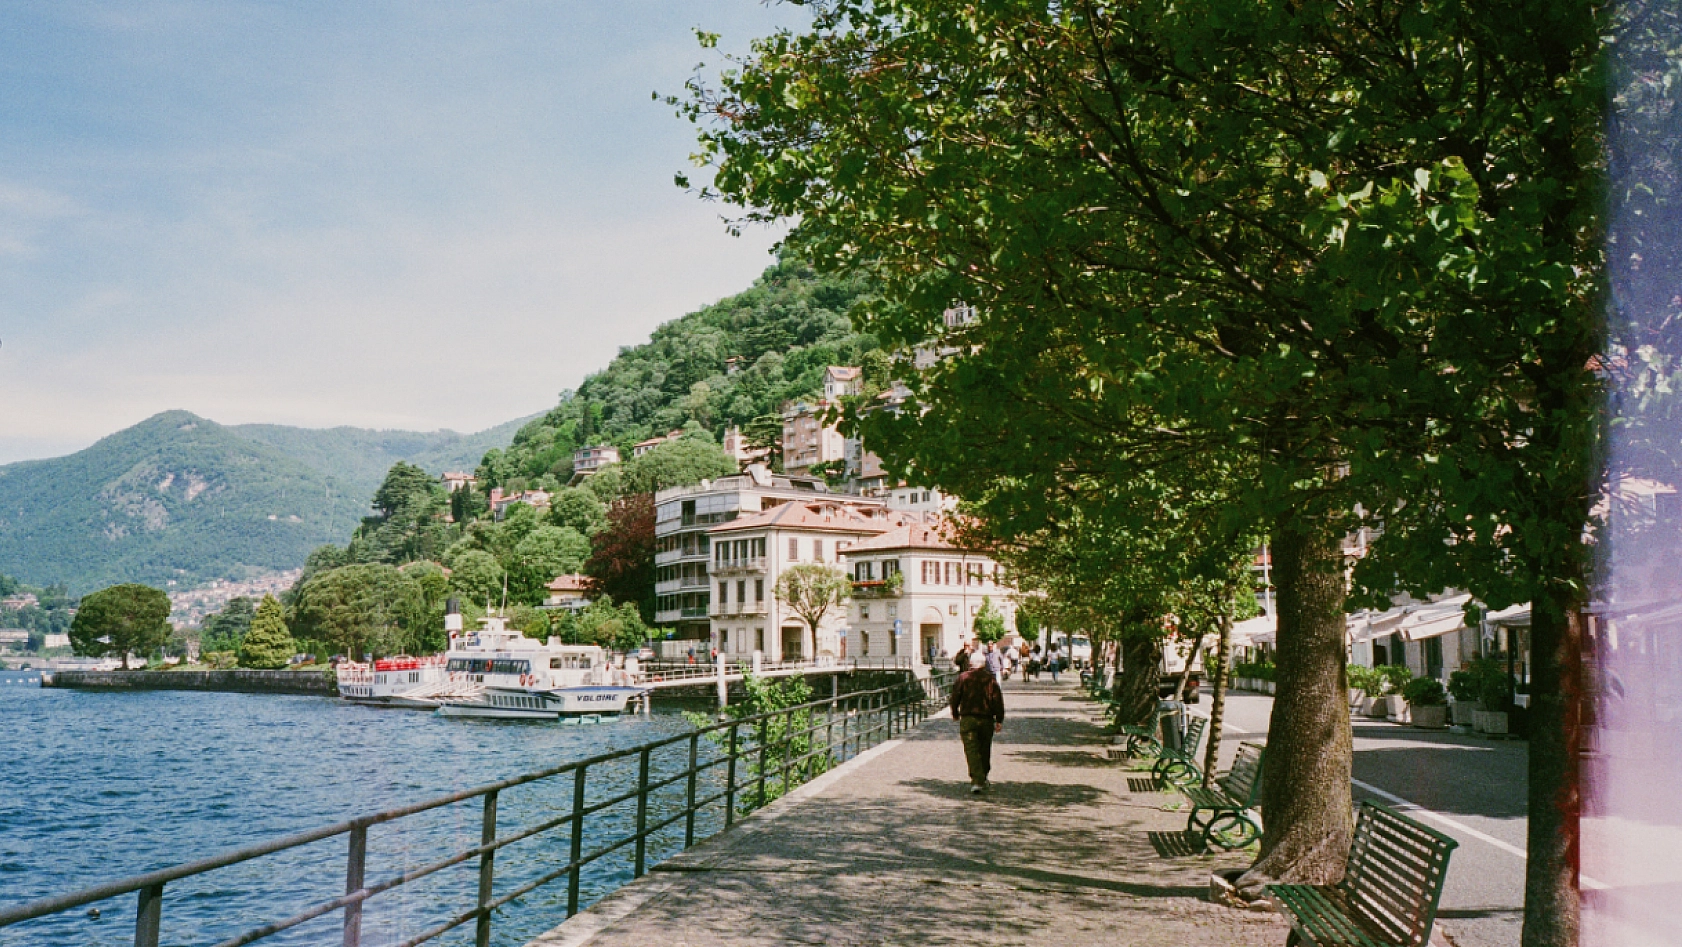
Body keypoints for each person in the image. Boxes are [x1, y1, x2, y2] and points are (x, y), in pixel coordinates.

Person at [951, 650, 1005, 793]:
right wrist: (999, 719)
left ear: (970, 664)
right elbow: (997, 700)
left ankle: (977, 780)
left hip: (968, 718)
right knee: (984, 748)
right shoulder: (990, 679)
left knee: (971, 750)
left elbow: (955, 696)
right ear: (984, 664)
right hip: (986, 719)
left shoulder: (963, 678)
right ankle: (983, 776)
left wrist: (955, 713)